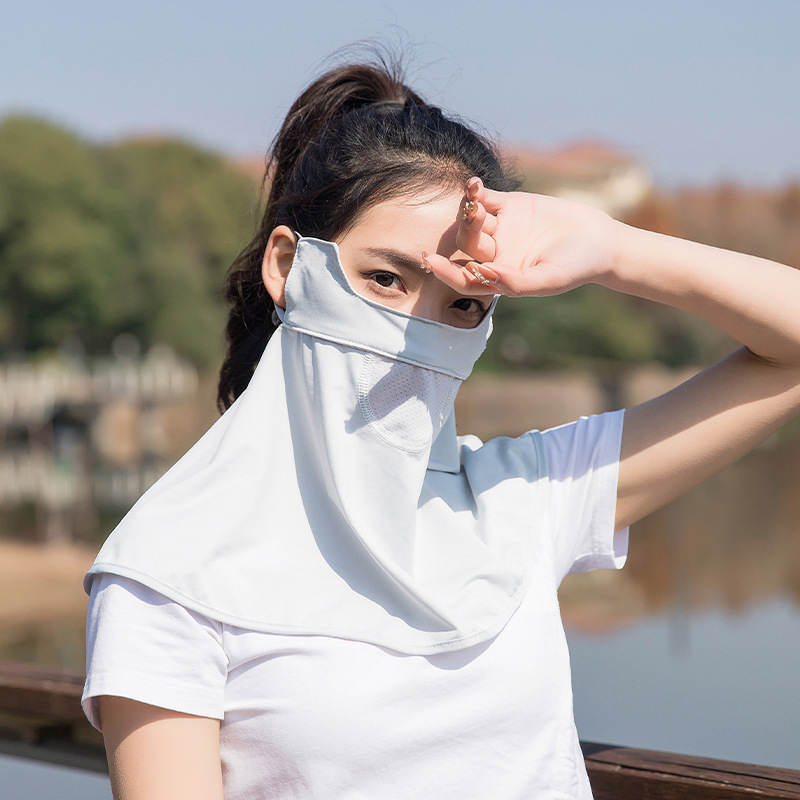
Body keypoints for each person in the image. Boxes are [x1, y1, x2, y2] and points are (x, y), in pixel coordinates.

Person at [82, 56, 800, 800]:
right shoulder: (168, 570)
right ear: (288, 266)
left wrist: (612, 248)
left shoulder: (522, 499)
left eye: (462, 303)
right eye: (385, 279)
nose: (416, 332)